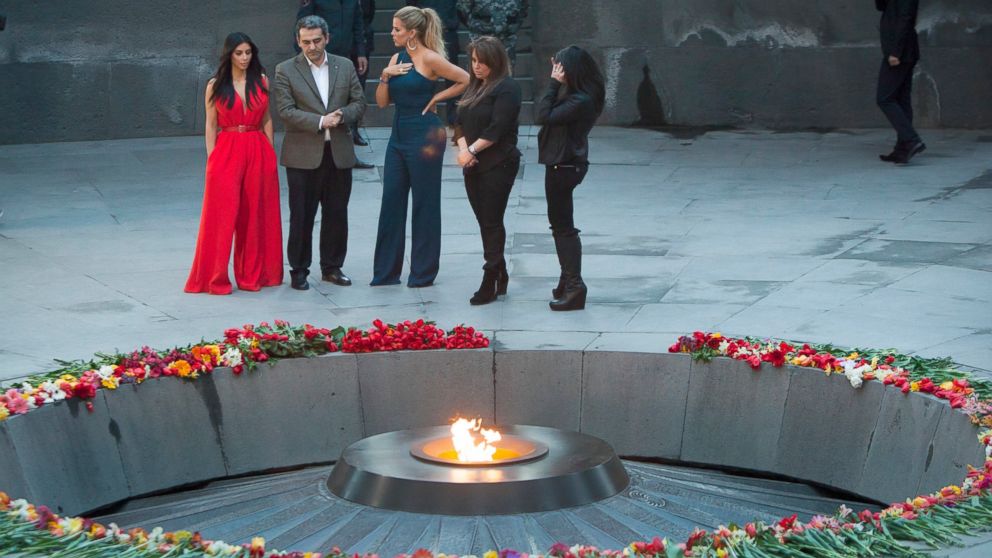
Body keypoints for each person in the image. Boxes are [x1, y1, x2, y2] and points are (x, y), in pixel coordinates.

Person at [370, 6, 469, 287]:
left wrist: (437, 96)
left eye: (397, 29)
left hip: (425, 135)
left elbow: (465, 79)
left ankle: (422, 273)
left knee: (425, 203)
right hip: (398, 135)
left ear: (412, 32)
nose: (392, 33)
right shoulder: (396, 57)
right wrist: (385, 75)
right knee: (391, 201)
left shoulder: (430, 58)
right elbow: (380, 103)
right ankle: (386, 272)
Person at [185, 32, 283, 295]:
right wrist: (212, 159)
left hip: (257, 148)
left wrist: (270, 154)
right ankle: (213, 277)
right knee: (220, 216)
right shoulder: (215, 85)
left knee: (254, 216)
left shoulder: (262, 81)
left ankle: (254, 275)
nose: (244, 58)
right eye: (239, 53)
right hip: (226, 149)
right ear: (229, 54)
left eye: (248, 52)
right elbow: (210, 124)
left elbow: (267, 119)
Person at [274, 15, 367, 291]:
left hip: (338, 152)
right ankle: (299, 270)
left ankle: (332, 267)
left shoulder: (345, 65)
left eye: (316, 40)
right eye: (305, 42)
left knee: (337, 213)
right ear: (298, 41)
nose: (311, 46)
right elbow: (286, 112)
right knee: (301, 214)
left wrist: (341, 115)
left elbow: (359, 102)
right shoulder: (285, 70)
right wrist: (319, 121)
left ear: (326, 38)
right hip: (302, 154)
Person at [534, 45, 604, 311]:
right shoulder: (578, 95)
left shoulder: (581, 100)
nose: (555, 71)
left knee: (562, 226)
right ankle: (567, 279)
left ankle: (575, 285)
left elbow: (543, 115)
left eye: (559, 67)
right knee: (560, 223)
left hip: (564, 166)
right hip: (562, 164)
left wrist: (553, 85)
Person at [454, 37, 521, 305]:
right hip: (472, 164)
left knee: (492, 220)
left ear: (495, 61)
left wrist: (470, 151)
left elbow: (497, 128)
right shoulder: (474, 86)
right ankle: (500, 270)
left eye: (482, 62)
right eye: (473, 61)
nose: (477, 67)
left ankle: (490, 276)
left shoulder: (508, 88)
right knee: (484, 221)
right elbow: (458, 122)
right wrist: (463, 151)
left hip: (498, 162)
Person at [297, 0, 375, 167]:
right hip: (319, 60)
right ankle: (320, 156)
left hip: (344, 57)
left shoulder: (352, 2)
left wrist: (361, 52)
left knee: (345, 104)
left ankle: (348, 157)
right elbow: (302, 25)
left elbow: (358, 26)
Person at [876, 0, 925, 164]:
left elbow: (906, 18)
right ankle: (903, 148)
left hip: (900, 52)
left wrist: (896, 52)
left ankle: (911, 139)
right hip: (900, 51)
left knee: (884, 98)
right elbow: (881, 6)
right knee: (901, 100)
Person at [408, 0, 462, 126]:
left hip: (448, 30)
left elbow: (461, 7)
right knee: (422, 74)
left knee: (452, 76)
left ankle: (454, 117)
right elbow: (411, 8)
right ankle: (422, 113)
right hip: (424, 32)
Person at [457, 0, 528, 64]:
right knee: (480, 73)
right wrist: (479, 26)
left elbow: (523, 10)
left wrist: (510, 27)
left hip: (506, 40)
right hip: (480, 40)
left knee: (506, 74)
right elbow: (462, 10)